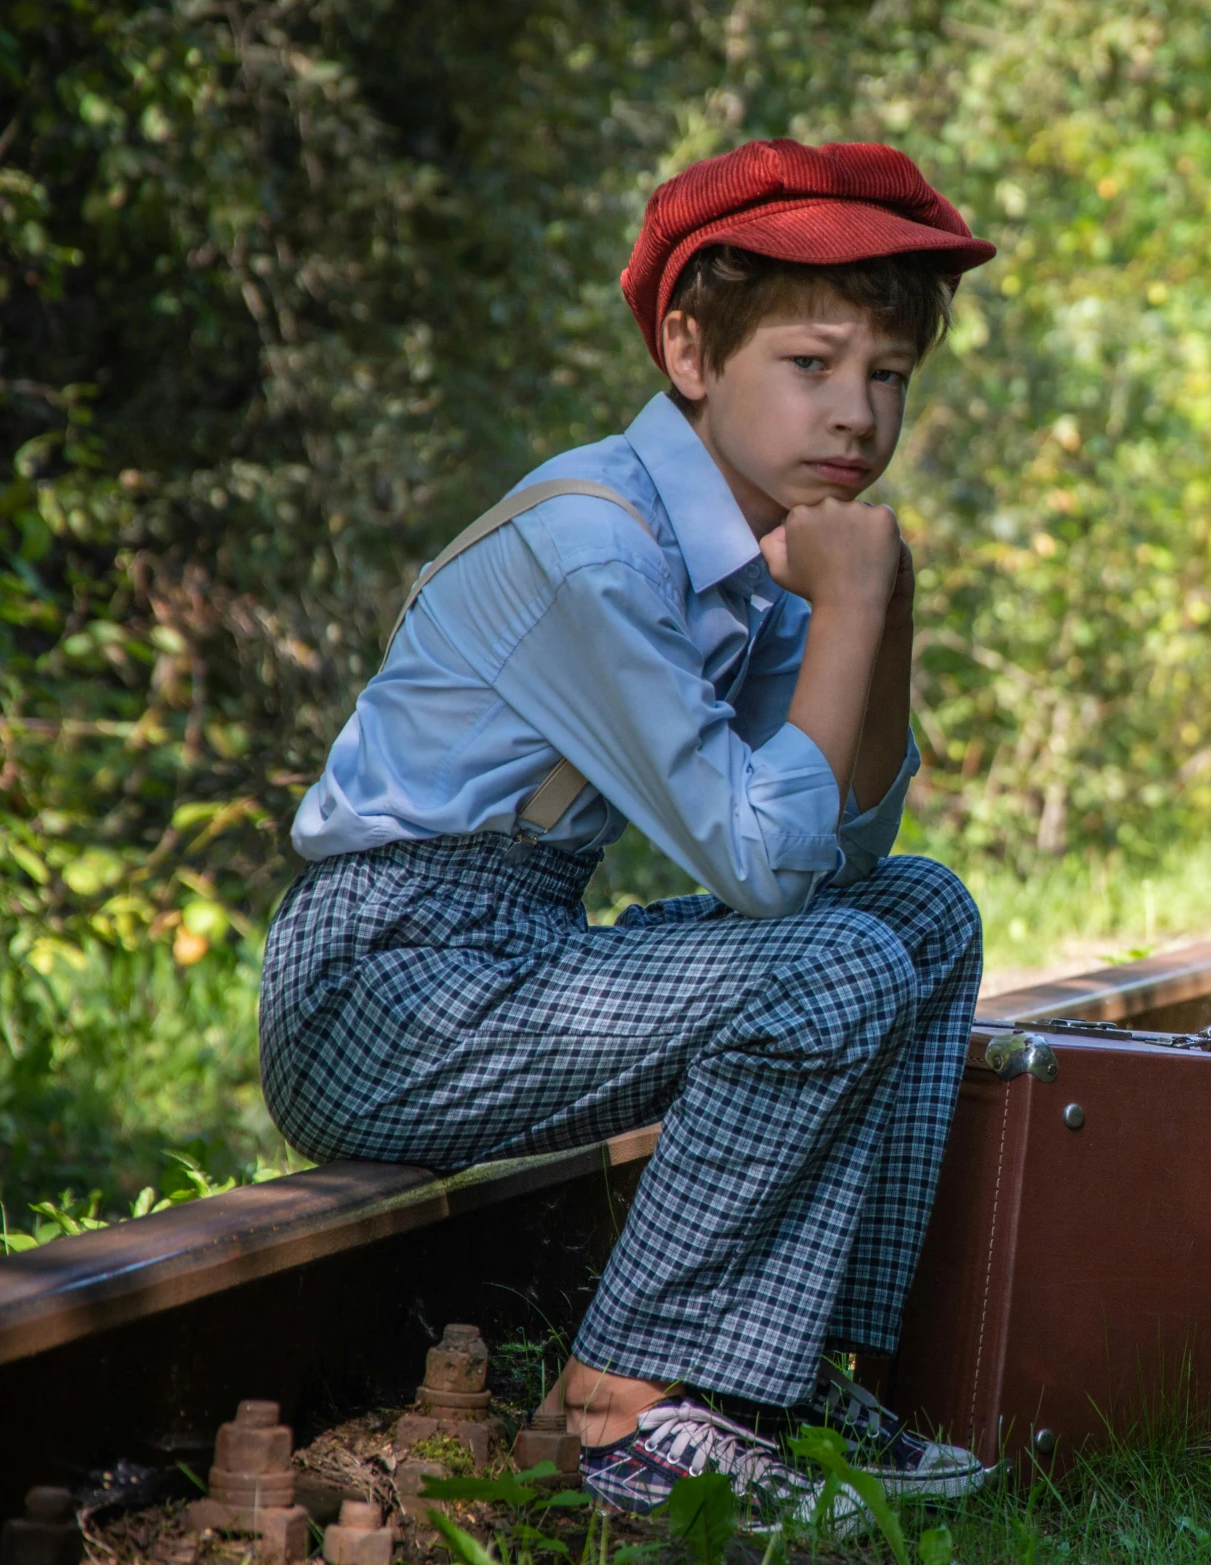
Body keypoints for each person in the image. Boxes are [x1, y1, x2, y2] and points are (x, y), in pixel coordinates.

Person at [257, 139, 995, 1526]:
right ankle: (627, 1414)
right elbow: (770, 872)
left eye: (886, 376)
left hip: (514, 954)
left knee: (922, 917)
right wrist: (846, 609)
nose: (856, 414)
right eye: (812, 364)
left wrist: (874, 612)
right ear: (689, 352)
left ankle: (774, 1375)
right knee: (827, 965)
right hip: (383, 987)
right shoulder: (595, 543)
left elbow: (847, 849)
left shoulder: (756, 546)